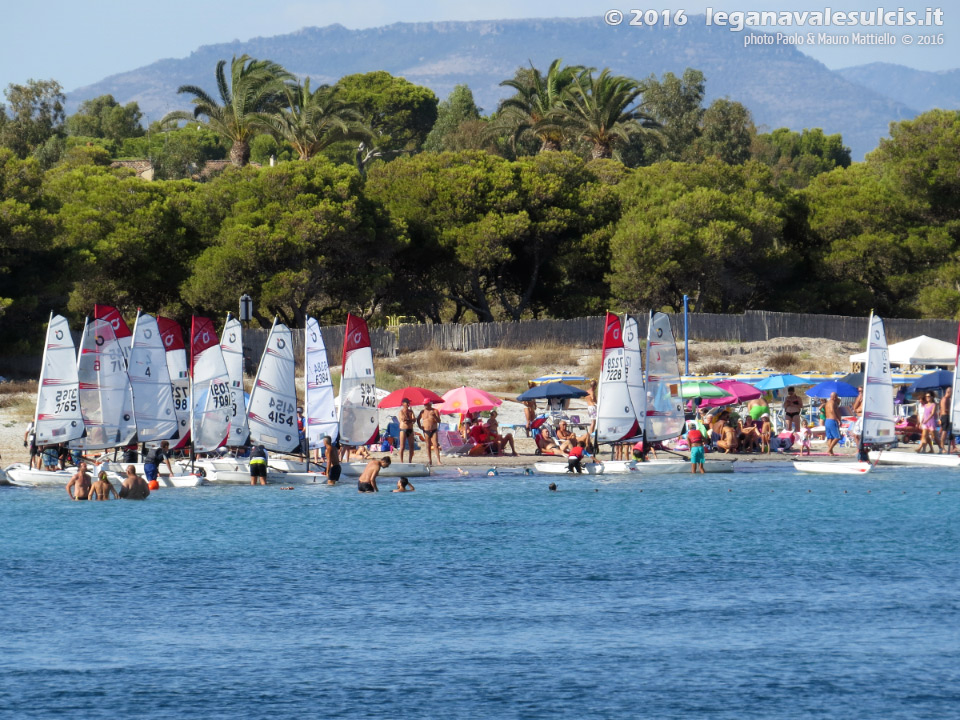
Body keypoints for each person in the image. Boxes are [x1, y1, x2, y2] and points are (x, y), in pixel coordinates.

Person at [417, 400, 443, 466]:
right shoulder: (422, 412)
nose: (425, 406)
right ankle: (430, 460)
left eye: (426, 404)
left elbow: (439, 421)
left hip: (434, 430)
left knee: (435, 445)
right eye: (424, 404)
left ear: (429, 404)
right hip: (426, 430)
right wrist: (420, 426)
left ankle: (438, 460)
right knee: (428, 445)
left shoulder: (434, 411)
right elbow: (418, 419)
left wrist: (434, 416)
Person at [397, 398, 416, 464]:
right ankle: (401, 461)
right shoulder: (401, 411)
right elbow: (404, 419)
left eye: (408, 403)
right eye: (407, 402)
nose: (408, 404)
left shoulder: (411, 411)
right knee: (402, 446)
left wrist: (409, 419)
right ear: (403, 404)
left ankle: (410, 461)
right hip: (403, 429)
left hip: (410, 429)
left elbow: (414, 419)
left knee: (411, 446)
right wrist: (409, 419)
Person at [939, 387, 954, 453]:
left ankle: (954, 446)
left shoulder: (949, 399)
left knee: (952, 431)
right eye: (951, 392)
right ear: (948, 392)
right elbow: (944, 410)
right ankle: (942, 447)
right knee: (944, 432)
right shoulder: (945, 399)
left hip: (947, 416)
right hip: (945, 416)